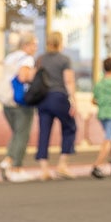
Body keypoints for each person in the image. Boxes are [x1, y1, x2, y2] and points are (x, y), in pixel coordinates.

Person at [0, 34, 38, 182]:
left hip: (6, 101)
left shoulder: (11, 56)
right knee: (22, 135)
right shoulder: (27, 59)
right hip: (20, 102)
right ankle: (16, 168)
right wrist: (35, 75)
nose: (36, 47)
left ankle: (7, 160)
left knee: (16, 133)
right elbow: (23, 77)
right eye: (34, 44)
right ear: (26, 45)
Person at [35, 31, 77, 181]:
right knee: (70, 127)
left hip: (42, 99)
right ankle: (62, 165)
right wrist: (73, 101)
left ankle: (44, 169)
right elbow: (68, 81)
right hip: (58, 97)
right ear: (60, 43)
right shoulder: (64, 59)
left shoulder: (40, 59)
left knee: (44, 132)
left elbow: (35, 78)